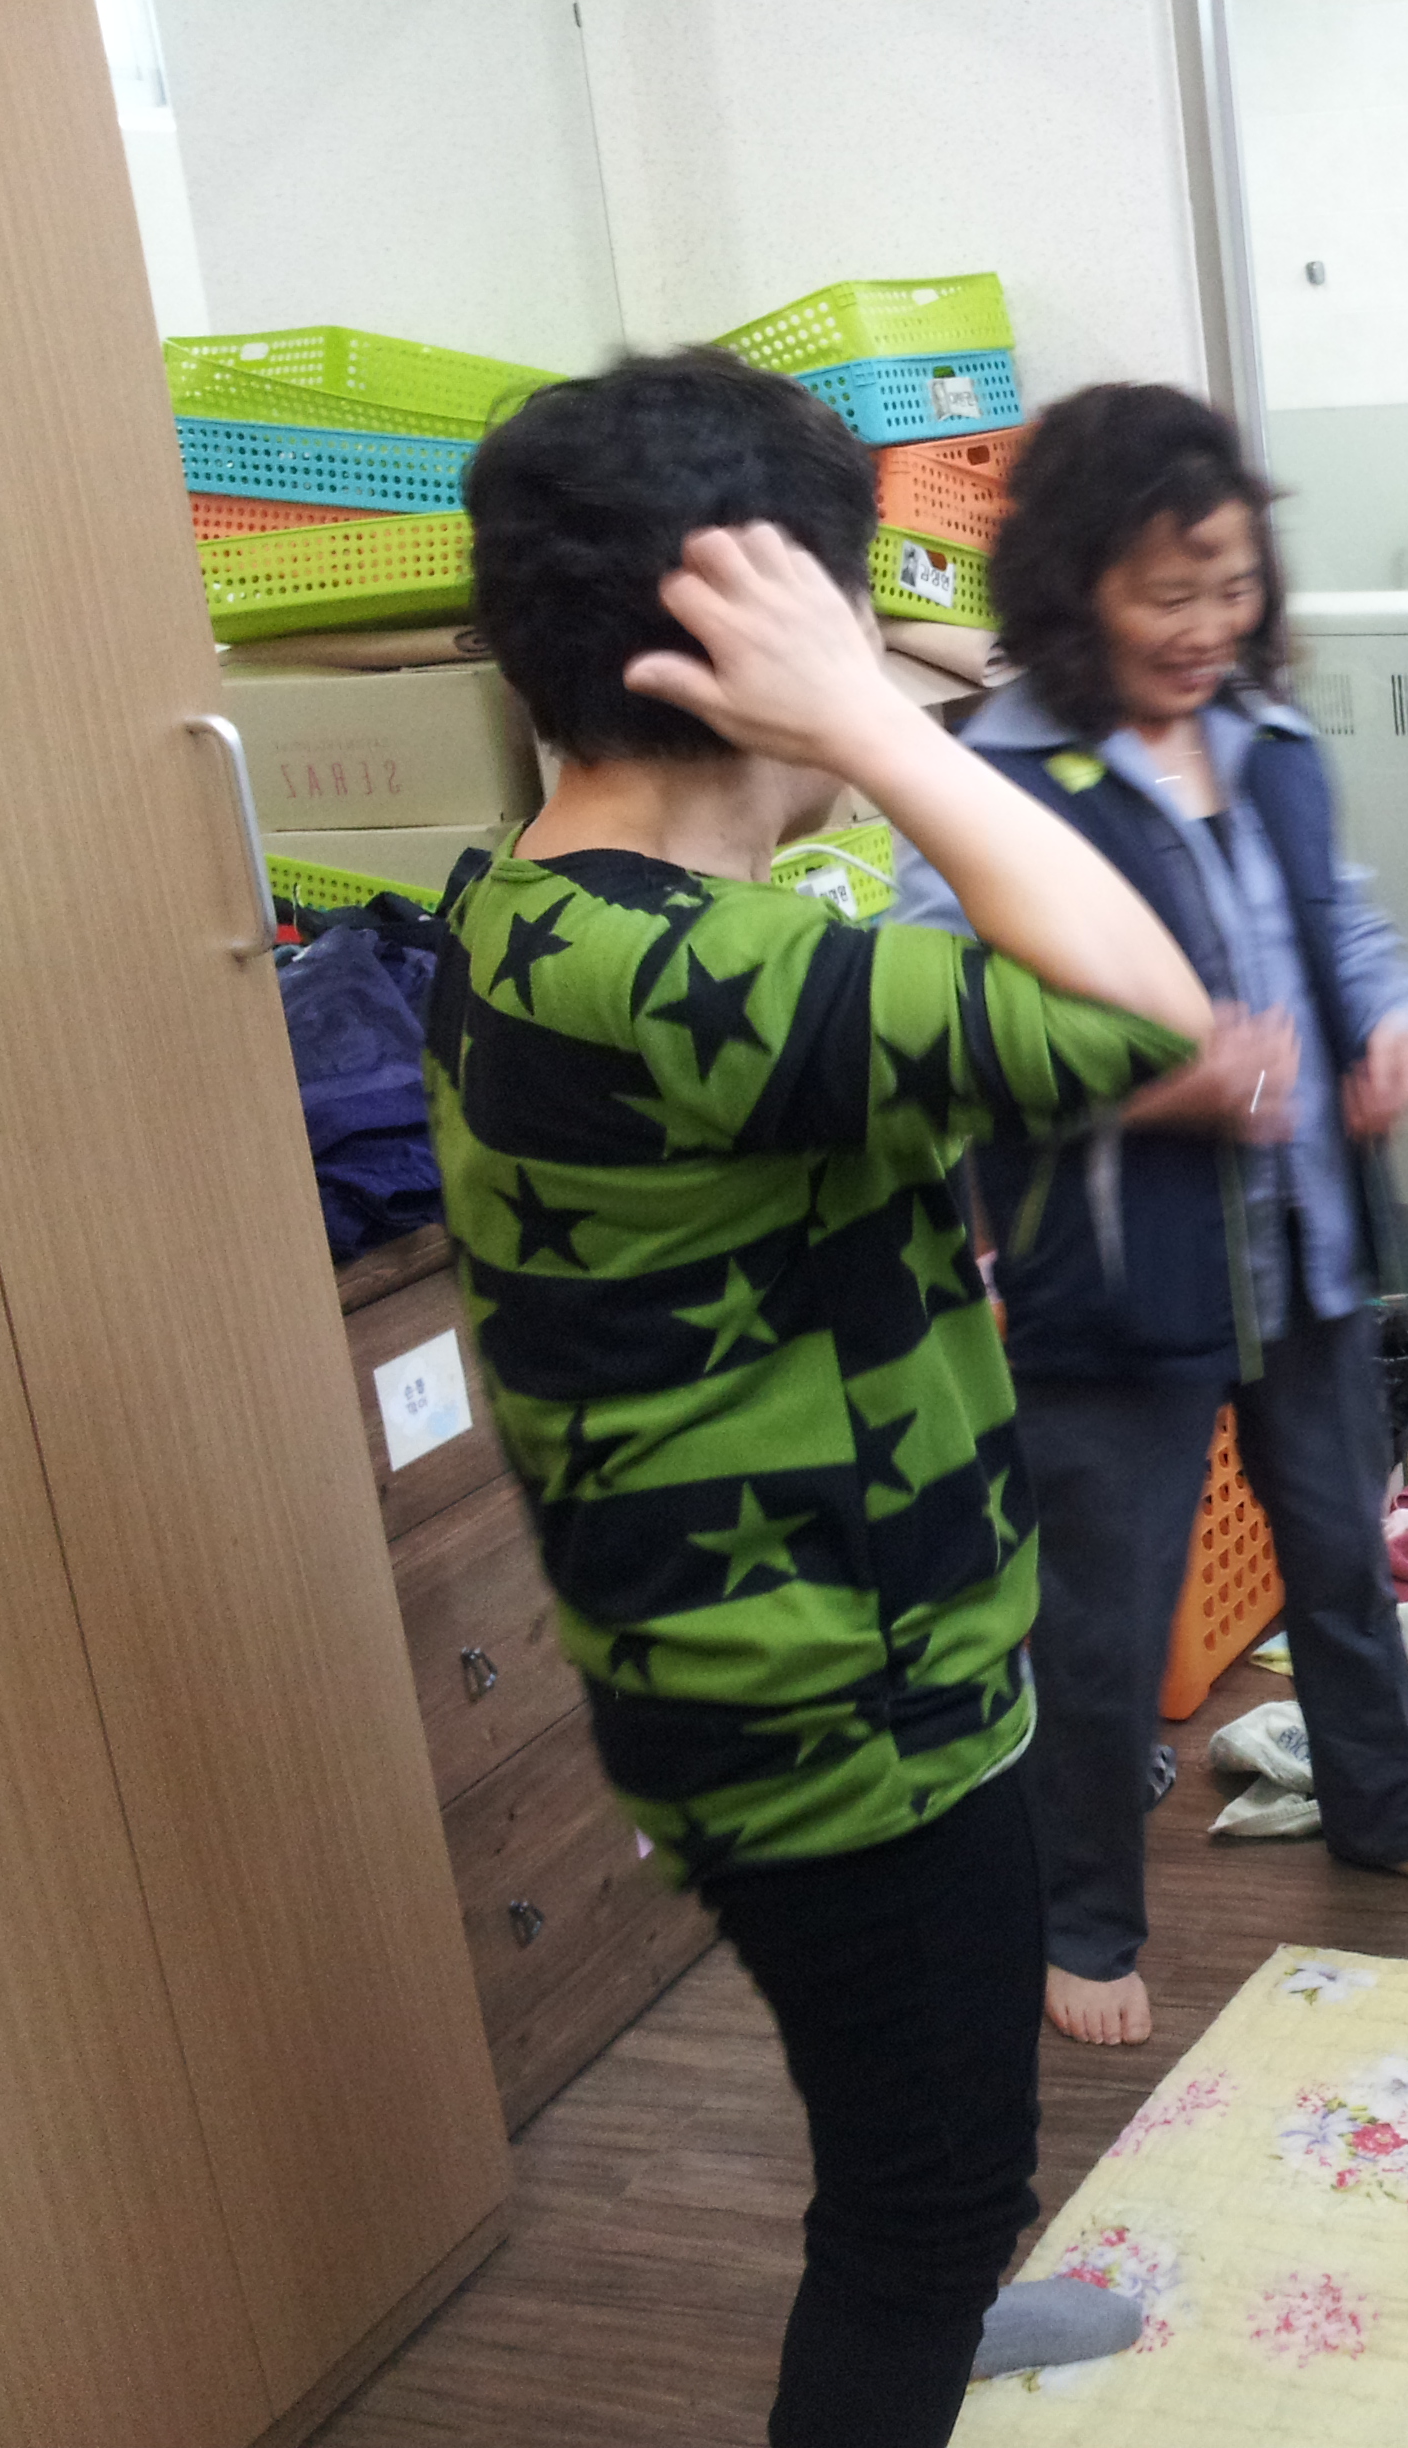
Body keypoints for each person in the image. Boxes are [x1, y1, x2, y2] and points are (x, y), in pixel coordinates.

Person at [433, 355, 1211, 2447]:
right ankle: (933, 2304)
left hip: (766, 1667)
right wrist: (869, 726)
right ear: (758, 641)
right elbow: (1148, 1010)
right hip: (839, 1715)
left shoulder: (528, 906)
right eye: (850, 610)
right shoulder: (689, 973)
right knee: (919, 2201)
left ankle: (950, 2298)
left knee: (910, 2115)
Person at [888, 381, 1408, 2051]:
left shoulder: (1268, 738)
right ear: (1072, 584)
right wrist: (1151, 1089)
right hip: (1116, 1278)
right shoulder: (993, 780)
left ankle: (1381, 1810)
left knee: (1342, 1556)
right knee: (1100, 1624)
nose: (1206, 625)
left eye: (1231, 585)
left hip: (1303, 1247)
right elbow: (942, 1029)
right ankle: (1082, 1921)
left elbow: (1343, 926)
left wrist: (1394, 1023)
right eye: (1166, 592)